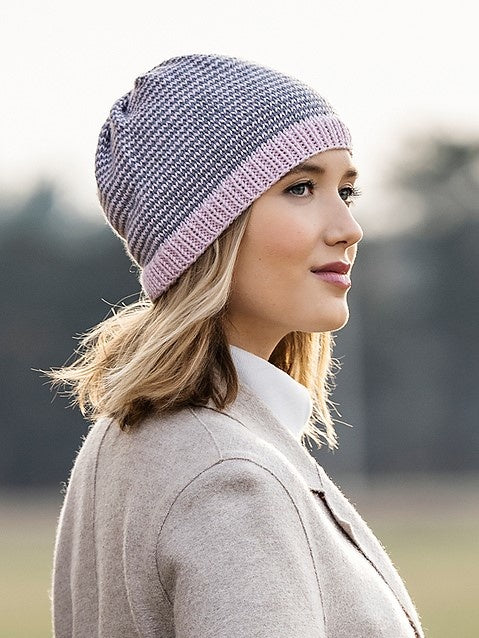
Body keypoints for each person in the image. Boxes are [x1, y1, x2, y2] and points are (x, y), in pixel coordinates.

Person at [46, 53, 425, 637]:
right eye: (301, 187)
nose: (348, 228)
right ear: (208, 229)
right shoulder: (230, 476)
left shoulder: (129, 438)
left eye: (346, 191)